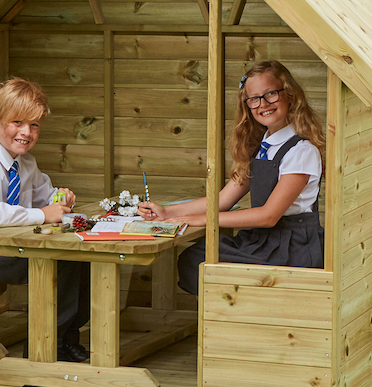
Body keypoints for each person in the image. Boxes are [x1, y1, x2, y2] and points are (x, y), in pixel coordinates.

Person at [137, 60, 325, 295]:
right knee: (197, 258)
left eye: (271, 94)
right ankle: (219, 326)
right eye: (254, 98)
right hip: (264, 241)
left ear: (289, 95)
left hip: (291, 247)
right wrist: (168, 212)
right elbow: (222, 200)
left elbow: (268, 216)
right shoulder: (262, 147)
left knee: (204, 263)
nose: (263, 104)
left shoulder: (302, 151)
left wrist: (203, 220)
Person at [0, 77, 90, 362]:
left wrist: (61, 197)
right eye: (17, 123)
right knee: (59, 259)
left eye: (34, 125)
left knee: (79, 257)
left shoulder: (25, 162)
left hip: (4, 244)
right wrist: (44, 214)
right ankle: (42, 348)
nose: (26, 132)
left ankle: (66, 339)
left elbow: (46, 194)